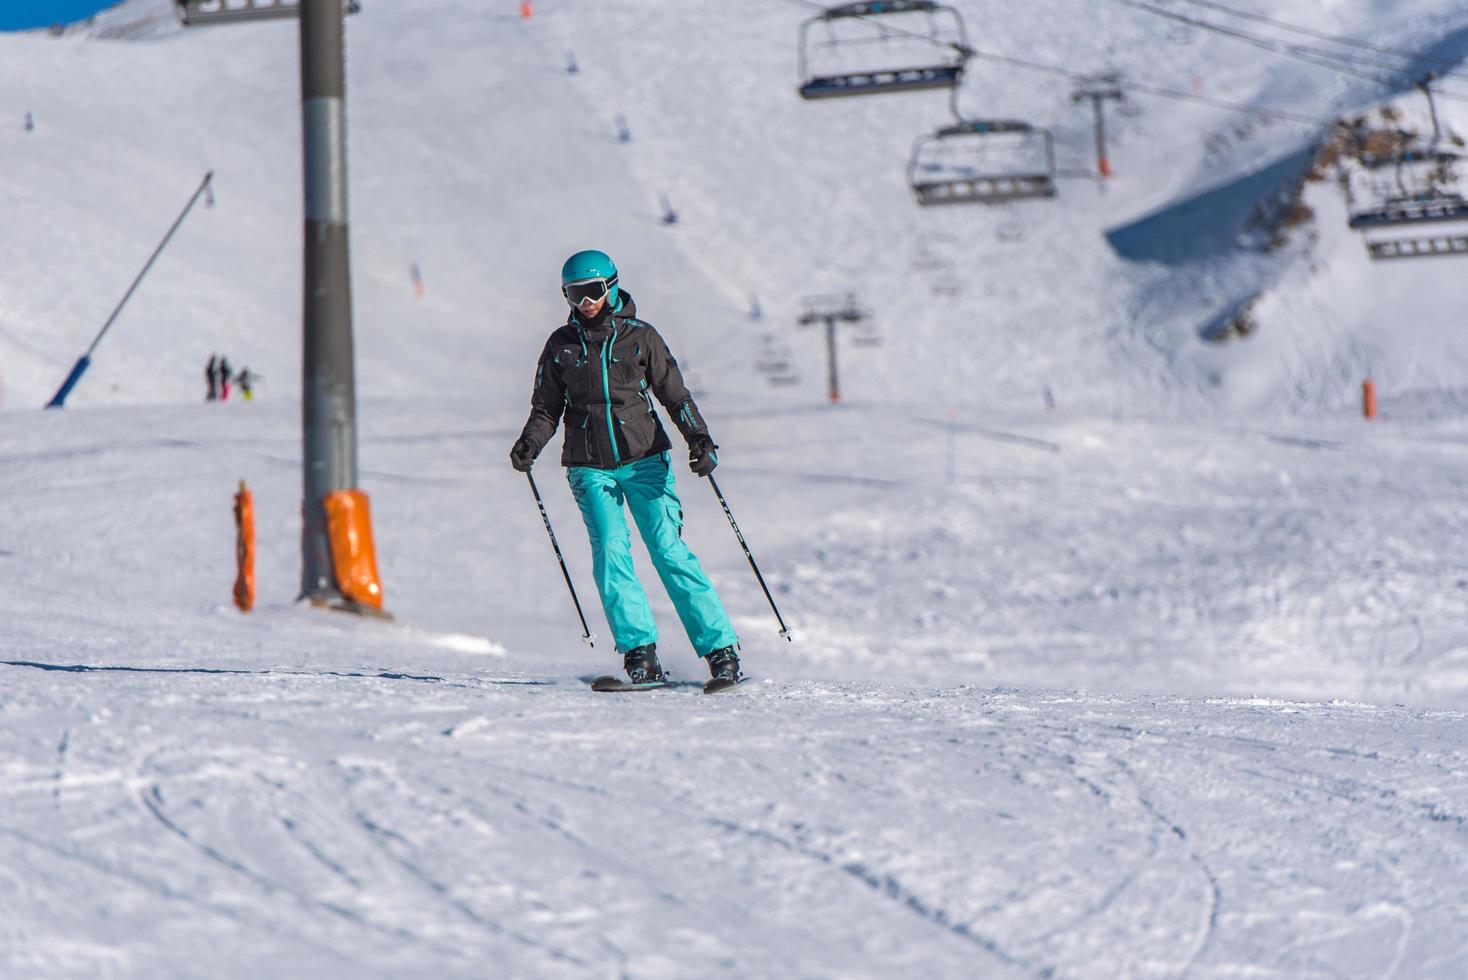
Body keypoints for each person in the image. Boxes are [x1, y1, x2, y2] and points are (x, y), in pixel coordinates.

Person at [510, 249, 742, 686]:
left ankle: (721, 650)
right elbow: (546, 409)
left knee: (667, 551)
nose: (585, 303)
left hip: (645, 462)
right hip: (588, 466)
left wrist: (700, 440)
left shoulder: (641, 338)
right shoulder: (560, 346)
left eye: (593, 291)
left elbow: (676, 396)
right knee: (611, 554)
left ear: (611, 286)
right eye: (575, 294)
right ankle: (640, 654)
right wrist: (530, 443)